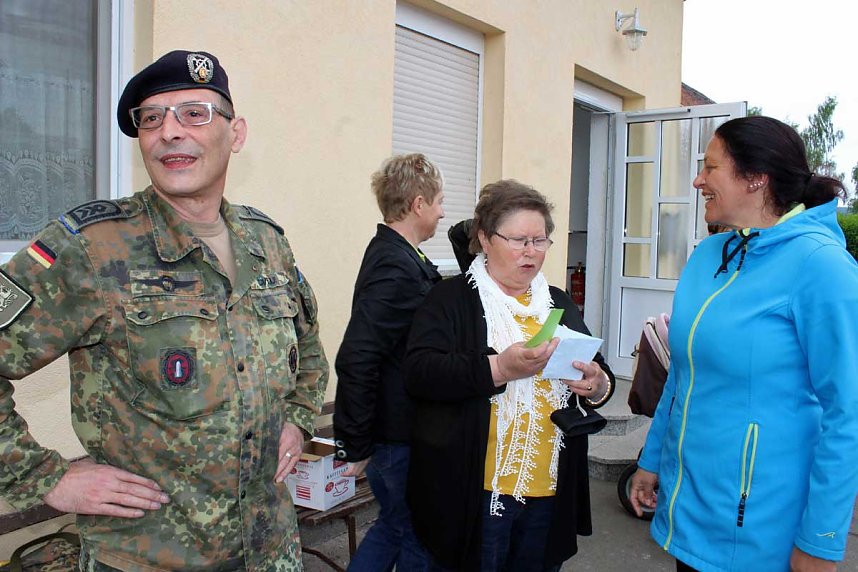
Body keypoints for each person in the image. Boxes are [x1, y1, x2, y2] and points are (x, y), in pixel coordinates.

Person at [0, 50, 329, 571]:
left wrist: (298, 418)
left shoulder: (266, 242)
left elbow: (307, 346)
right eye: (151, 119)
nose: (170, 132)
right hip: (149, 556)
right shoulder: (93, 248)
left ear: (236, 133)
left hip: (270, 548)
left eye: (194, 113)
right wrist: (45, 477)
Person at [629, 116, 858, 572]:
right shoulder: (707, 255)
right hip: (691, 511)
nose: (698, 180)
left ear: (755, 178)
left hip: (762, 528)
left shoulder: (822, 267)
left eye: (710, 167)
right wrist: (651, 459)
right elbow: (681, 374)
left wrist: (821, 541)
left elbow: (847, 413)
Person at [404, 180, 615, 571]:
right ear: (485, 239)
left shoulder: (556, 300)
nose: (531, 251)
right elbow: (420, 373)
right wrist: (499, 368)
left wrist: (596, 384)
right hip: (476, 491)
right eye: (519, 240)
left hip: (549, 486)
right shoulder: (450, 299)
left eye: (540, 240)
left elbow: (599, 369)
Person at [333, 153, 444, 570]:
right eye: (439, 202)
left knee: (396, 526)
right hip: (395, 436)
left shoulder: (401, 254)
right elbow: (357, 355)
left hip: (394, 432)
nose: (442, 212)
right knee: (416, 533)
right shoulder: (395, 265)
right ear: (418, 204)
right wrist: (355, 442)